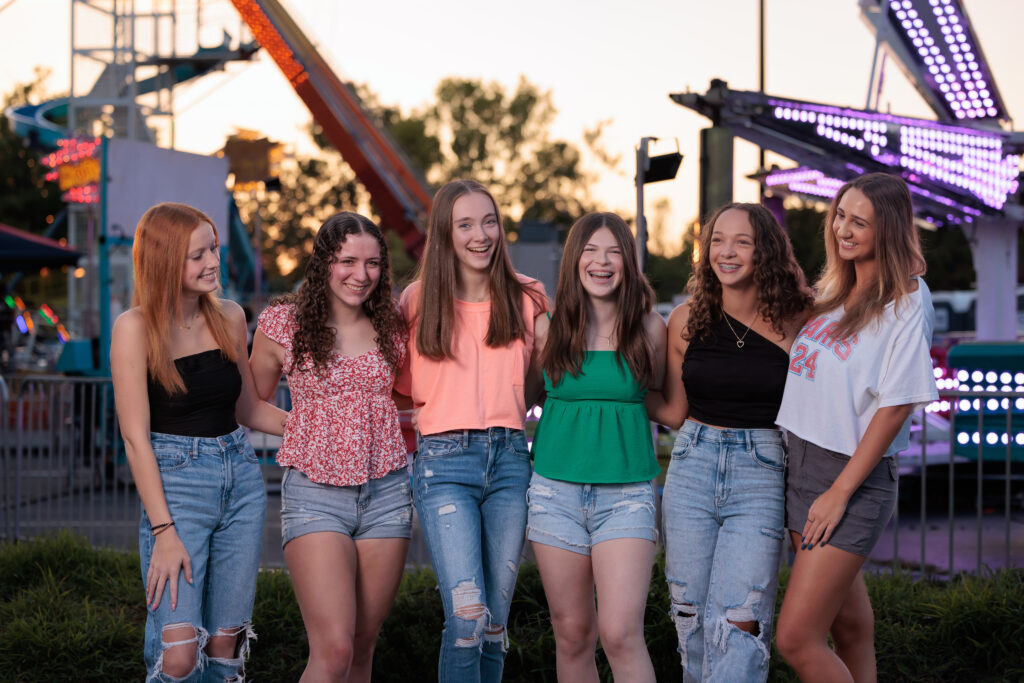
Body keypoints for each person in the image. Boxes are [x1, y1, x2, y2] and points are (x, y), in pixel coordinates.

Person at [110, 202, 287, 682]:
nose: (213, 262)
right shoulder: (133, 329)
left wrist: (327, 430)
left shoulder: (229, 317)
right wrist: (164, 532)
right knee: (180, 656)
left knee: (225, 647)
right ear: (166, 260)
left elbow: (249, 411)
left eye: (214, 248)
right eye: (198, 255)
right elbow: (134, 438)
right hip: (176, 488)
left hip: (241, 479)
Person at [774, 173, 938, 683]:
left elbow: (896, 405)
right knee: (848, 625)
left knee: (796, 638)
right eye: (841, 214)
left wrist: (839, 492)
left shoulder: (908, 300)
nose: (843, 230)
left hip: (848, 474)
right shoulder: (836, 290)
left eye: (859, 222)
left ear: (887, 230)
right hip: (799, 462)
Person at [647, 202, 813, 682]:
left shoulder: (799, 317)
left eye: (742, 241)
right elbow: (675, 412)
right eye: (717, 240)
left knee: (741, 619)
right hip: (692, 464)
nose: (727, 251)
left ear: (766, 250)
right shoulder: (685, 319)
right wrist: (622, 386)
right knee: (690, 616)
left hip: (760, 470)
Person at [248, 212, 411, 682]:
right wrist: (308, 428)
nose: (361, 275)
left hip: (387, 497)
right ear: (324, 263)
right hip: (314, 498)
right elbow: (250, 405)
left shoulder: (395, 328)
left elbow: (410, 399)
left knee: (362, 647)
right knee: (334, 649)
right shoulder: (284, 325)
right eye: (348, 261)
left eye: (374, 263)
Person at [396, 179, 547, 682]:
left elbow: (539, 381)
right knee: (466, 617)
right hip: (443, 465)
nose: (480, 235)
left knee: (494, 624)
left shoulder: (527, 296)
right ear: (445, 233)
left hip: (509, 461)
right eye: (465, 224)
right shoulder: (417, 302)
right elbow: (396, 385)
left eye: (489, 221)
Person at [526, 212, 665, 682]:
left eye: (613, 251)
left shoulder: (650, 329)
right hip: (554, 495)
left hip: (626, 498)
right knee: (572, 634)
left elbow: (667, 404)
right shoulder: (547, 329)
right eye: (590, 250)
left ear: (628, 261)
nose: (602, 262)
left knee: (621, 633)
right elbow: (523, 399)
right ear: (574, 261)